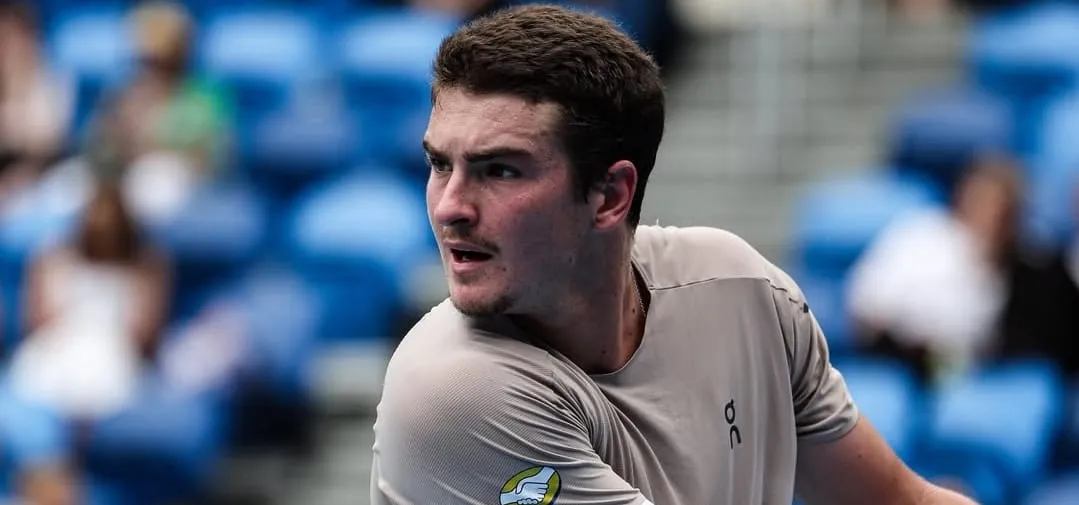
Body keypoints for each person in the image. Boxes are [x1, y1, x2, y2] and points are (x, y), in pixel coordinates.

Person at [371, 5, 977, 505]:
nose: (449, 207)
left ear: (610, 195)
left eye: (499, 170)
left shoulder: (744, 291)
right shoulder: (453, 389)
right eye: (439, 164)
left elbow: (902, 500)